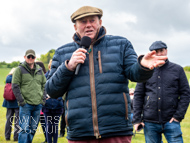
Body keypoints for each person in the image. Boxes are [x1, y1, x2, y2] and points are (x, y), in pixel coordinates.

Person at [45, 6, 167, 143]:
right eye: (83, 22)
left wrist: (143, 66)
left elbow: (135, 74)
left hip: (116, 130)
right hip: (80, 132)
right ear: (75, 27)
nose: (88, 25)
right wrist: (68, 67)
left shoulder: (121, 45)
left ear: (100, 22)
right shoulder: (62, 53)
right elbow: (51, 90)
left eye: (92, 20)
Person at [133, 41, 190, 143]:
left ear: (166, 51)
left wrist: (178, 116)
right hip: (150, 122)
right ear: (152, 54)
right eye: (156, 52)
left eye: (161, 51)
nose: (159, 54)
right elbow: (138, 95)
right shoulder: (145, 71)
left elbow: (186, 94)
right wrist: (137, 119)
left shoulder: (178, 70)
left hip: (171, 121)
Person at [12, 49, 46, 143]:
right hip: (26, 105)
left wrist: (42, 100)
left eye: (32, 57)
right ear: (24, 57)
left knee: (33, 129)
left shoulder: (39, 70)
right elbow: (15, 86)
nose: (30, 58)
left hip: (38, 104)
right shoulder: (19, 69)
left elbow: (44, 85)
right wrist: (22, 101)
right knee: (24, 129)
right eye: (28, 57)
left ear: (35, 58)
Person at [42, 59, 64, 143]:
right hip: (47, 105)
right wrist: (44, 97)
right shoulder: (45, 76)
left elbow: (63, 88)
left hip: (57, 104)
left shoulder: (60, 76)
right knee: (49, 125)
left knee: (54, 126)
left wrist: (58, 97)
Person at [2, 68, 19, 141]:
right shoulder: (17, 79)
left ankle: (7, 136)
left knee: (8, 119)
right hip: (16, 102)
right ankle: (16, 137)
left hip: (8, 101)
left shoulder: (7, 78)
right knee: (17, 120)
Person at [36, 61, 47, 143]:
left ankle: (47, 138)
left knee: (44, 122)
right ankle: (47, 138)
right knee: (43, 122)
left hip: (42, 103)